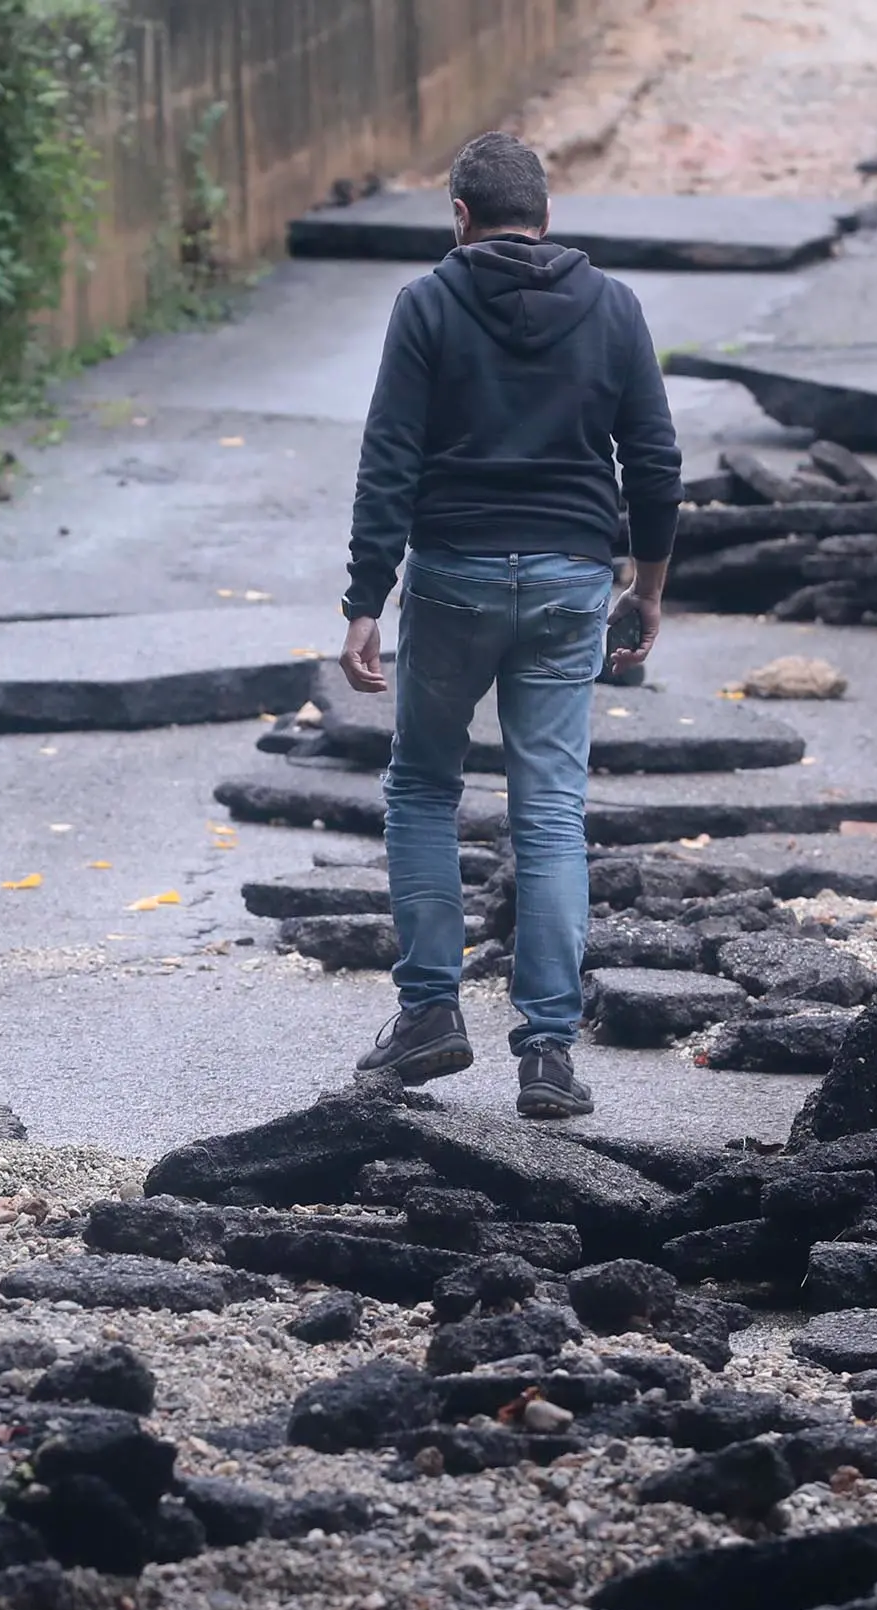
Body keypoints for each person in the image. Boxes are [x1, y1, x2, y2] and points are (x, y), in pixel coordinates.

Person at [338, 129, 681, 1119]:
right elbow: (654, 464)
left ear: (458, 216)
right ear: (546, 212)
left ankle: (431, 1012)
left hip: (453, 576)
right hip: (574, 578)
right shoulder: (611, 306)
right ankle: (546, 1054)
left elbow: (389, 457)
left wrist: (366, 595)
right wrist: (646, 587)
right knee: (547, 806)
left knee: (421, 783)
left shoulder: (429, 302)